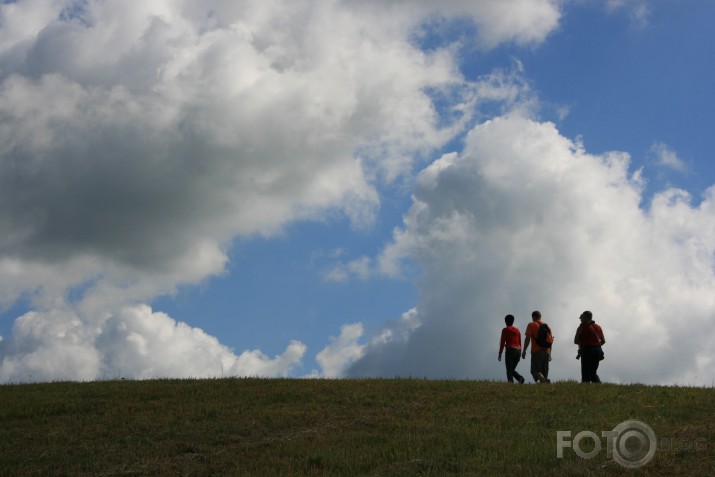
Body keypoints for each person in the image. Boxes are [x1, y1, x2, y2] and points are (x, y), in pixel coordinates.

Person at [574, 310, 605, 383]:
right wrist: (595, 345)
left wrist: (586, 344)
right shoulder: (598, 327)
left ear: (586, 317)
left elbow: (575, 341)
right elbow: (603, 341)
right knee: (593, 372)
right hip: (597, 350)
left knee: (585, 372)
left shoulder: (582, 327)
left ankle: (585, 388)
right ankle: (598, 387)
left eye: (582, 317)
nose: (580, 319)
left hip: (587, 350)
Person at [522, 310, 553, 383]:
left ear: (533, 317)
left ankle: (539, 375)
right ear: (540, 317)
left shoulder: (531, 325)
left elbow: (527, 338)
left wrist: (524, 351)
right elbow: (551, 341)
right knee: (545, 375)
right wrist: (550, 353)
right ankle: (543, 384)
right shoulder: (547, 327)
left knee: (534, 371)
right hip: (547, 351)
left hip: (536, 351)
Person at [498, 314, 525, 384]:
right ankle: (520, 378)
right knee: (511, 369)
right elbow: (520, 342)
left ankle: (511, 384)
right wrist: (520, 352)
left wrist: (500, 353)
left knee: (509, 370)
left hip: (510, 350)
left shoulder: (505, 330)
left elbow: (502, 342)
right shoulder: (517, 330)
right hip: (518, 351)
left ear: (506, 321)